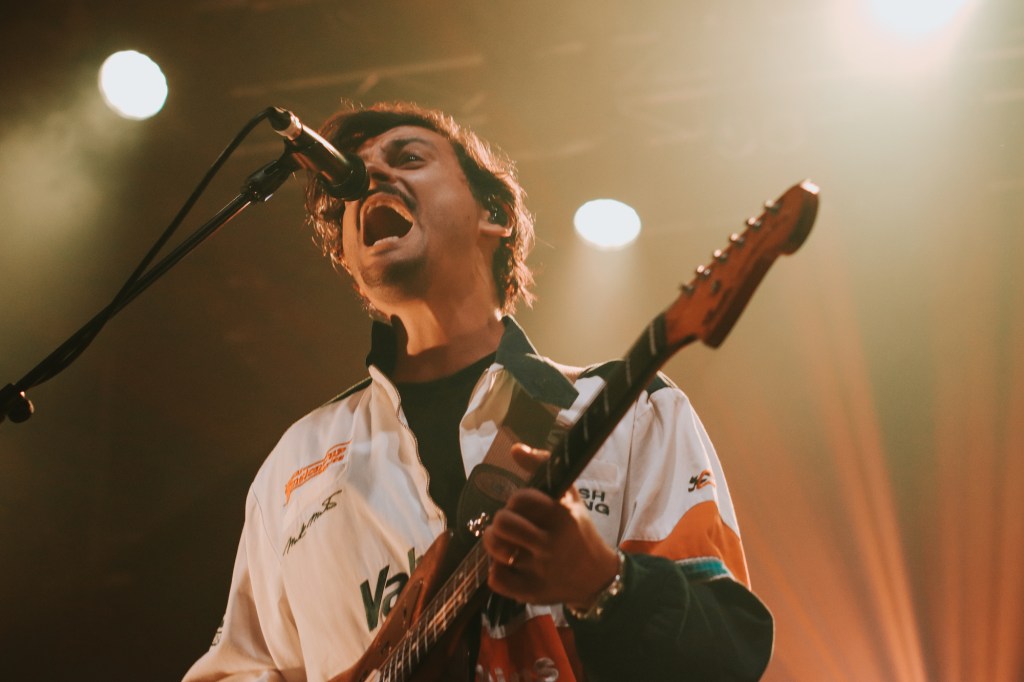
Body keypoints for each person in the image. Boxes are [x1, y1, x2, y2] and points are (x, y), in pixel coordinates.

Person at [185, 101, 773, 682]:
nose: (371, 176)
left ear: (495, 214)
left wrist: (603, 581)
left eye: (408, 158)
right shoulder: (294, 465)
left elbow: (726, 653)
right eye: (352, 183)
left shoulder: (631, 409)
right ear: (348, 257)